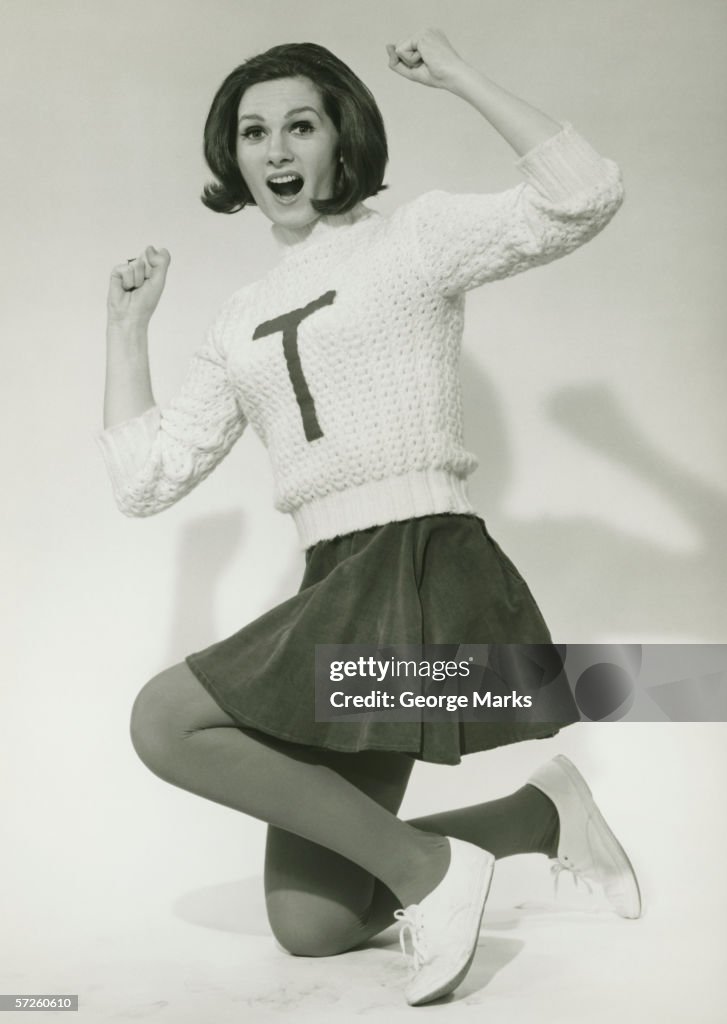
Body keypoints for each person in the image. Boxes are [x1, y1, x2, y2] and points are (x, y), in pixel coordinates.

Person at [98, 28, 641, 1007]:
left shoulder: (411, 237)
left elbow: (584, 193)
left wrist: (462, 76)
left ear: (339, 137)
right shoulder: (237, 316)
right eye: (253, 132)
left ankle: (436, 875)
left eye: (299, 126)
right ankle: (535, 815)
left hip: (417, 563)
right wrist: (126, 332)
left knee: (162, 718)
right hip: (334, 585)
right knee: (316, 925)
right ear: (232, 156)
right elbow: (145, 478)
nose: (275, 153)